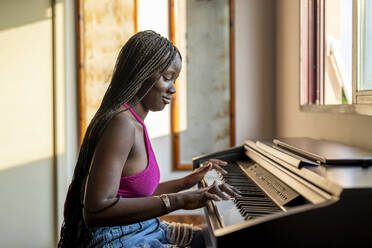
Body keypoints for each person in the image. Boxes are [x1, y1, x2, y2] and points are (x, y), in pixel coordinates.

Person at [58, 30, 241, 248]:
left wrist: (186, 182)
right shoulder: (121, 123)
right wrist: (179, 201)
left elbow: (133, 195)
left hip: (143, 228)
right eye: (167, 77)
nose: (173, 89)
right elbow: (95, 210)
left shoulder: (132, 121)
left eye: (175, 79)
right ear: (141, 72)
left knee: (218, 240)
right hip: (118, 239)